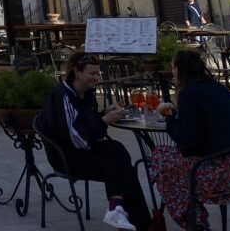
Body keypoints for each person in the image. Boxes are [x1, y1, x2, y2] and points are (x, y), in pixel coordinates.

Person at [39, 52, 149, 231]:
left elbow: (87, 126)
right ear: (77, 72)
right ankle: (136, 221)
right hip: (66, 156)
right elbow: (78, 140)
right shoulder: (62, 96)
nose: (96, 78)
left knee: (117, 151)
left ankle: (119, 210)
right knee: (117, 161)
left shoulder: (86, 93)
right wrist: (104, 120)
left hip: (83, 151)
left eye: (98, 74)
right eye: (92, 73)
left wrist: (105, 112)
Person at [151, 50, 230, 230]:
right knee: (166, 160)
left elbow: (188, 143)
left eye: (173, 68)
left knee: (160, 160)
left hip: (219, 174)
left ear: (179, 70)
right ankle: (195, 219)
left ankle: (196, 222)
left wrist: (170, 120)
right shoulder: (218, 88)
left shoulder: (189, 94)